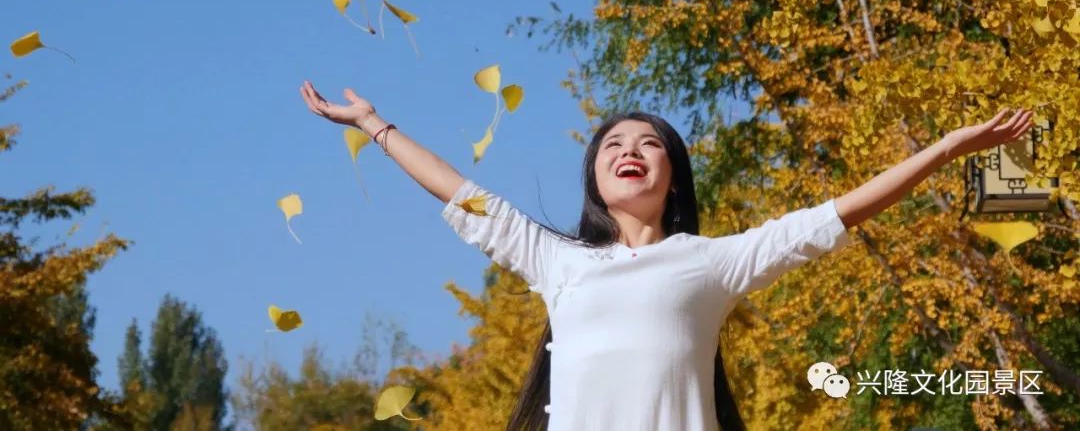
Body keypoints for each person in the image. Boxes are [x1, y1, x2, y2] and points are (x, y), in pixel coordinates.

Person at [299, 80, 1035, 431]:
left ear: (672, 173)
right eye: (613, 144)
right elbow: (460, 191)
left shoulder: (713, 262)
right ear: (594, 176)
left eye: (648, 143)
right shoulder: (558, 260)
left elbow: (839, 212)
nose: (630, 151)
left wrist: (944, 149)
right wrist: (373, 123)